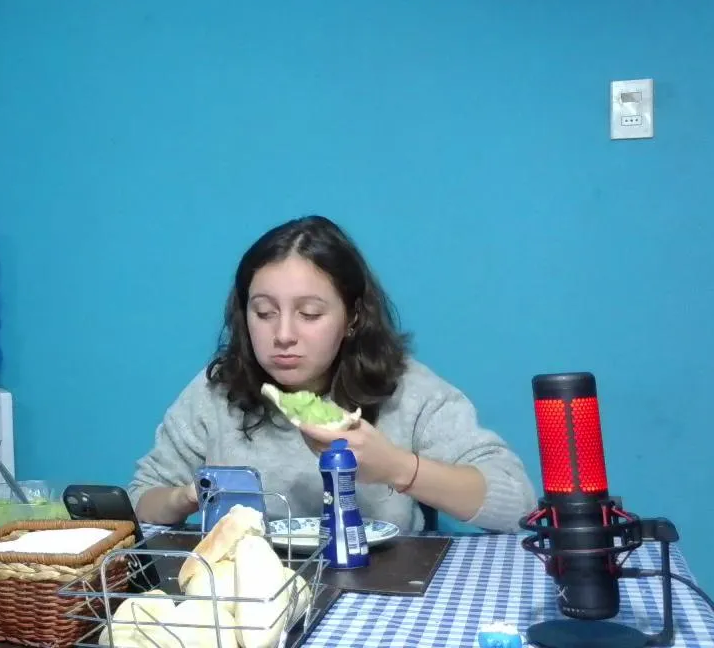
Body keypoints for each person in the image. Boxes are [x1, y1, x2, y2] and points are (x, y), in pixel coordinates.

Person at [128, 215, 536, 533]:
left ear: (353, 317)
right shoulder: (215, 391)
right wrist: (189, 495)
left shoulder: (408, 391)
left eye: (309, 314)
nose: (283, 335)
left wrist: (398, 467)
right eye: (264, 313)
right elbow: (141, 499)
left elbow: (518, 503)